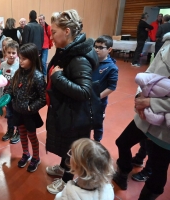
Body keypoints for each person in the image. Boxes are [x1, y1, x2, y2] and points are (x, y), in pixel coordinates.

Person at [45, 9, 99, 194]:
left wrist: (58, 77)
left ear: (67, 31)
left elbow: (85, 92)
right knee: (65, 144)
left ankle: (67, 180)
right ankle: (62, 168)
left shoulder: (78, 58)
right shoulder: (65, 51)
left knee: (71, 147)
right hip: (66, 110)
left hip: (76, 114)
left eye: (53, 32)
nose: (50, 36)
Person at [113, 32, 170, 199]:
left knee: (158, 169)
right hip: (144, 115)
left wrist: (152, 103)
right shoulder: (167, 42)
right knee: (122, 142)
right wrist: (139, 97)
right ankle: (123, 172)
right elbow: (149, 73)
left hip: (166, 128)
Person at [5, 43, 46, 172]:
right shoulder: (18, 72)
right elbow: (11, 88)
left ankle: (36, 157)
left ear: (32, 59)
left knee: (32, 136)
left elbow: (43, 98)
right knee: (22, 134)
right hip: (17, 111)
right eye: (20, 58)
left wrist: (30, 108)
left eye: (24, 59)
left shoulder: (38, 77)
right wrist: (6, 97)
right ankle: (25, 153)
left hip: (29, 113)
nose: (20, 61)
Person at [92, 35, 118, 142]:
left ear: (109, 49)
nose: (97, 50)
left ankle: (97, 142)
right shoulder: (91, 61)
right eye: (95, 46)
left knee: (97, 123)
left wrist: (97, 97)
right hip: (86, 98)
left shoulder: (112, 68)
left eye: (101, 47)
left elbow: (112, 87)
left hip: (99, 101)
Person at [0, 41, 20, 144]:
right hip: (7, 95)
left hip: (18, 96)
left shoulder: (20, 64)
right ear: (5, 53)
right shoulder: (2, 64)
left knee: (18, 115)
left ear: (17, 53)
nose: (11, 55)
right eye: (9, 52)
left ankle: (19, 132)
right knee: (9, 114)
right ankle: (10, 130)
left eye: (13, 53)